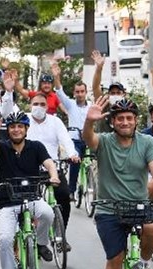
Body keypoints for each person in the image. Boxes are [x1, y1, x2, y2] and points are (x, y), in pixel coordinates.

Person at [82, 97, 153, 269]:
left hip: (138, 206)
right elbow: (88, 139)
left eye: (129, 118)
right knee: (115, 258)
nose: (125, 122)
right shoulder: (105, 142)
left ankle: (143, 262)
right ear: (112, 122)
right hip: (108, 209)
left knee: (152, 228)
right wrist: (88, 122)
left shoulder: (147, 142)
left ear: (136, 121)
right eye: (120, 118)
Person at [0, 111, 59, 269]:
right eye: (12, 127)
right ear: (8, 130)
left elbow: (49, 163)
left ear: (26, 129)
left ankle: (41, 243)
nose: (16, 130)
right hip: (7, 203)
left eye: (20, 126)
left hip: (32, 198)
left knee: (48, 213)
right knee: (5, 239)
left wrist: (54, 175)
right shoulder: (2, 147)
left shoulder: (36, 147)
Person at [25, 93, 79, 251]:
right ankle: (29, 235)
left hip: (53, 168)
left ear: (47, 107)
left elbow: (66, 140)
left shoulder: (55, 122)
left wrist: (72, 154)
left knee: (63, 196)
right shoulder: (24, 120)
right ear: (30, 105)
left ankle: (60, 235)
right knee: (27, 204)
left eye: (42, 104)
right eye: (36, 104)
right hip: (31, 169)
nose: (39, 107)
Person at [51, 62, 90, 199]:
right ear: (74, 93)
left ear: (86, 92)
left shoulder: (91, 106)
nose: (80, 94)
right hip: (75, 140)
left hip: (89, 139)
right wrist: (57, 76)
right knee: (76, 161)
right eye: (77, 92)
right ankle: (72, 190)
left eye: (82, 91)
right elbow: (59, 91)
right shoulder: (70, 104)